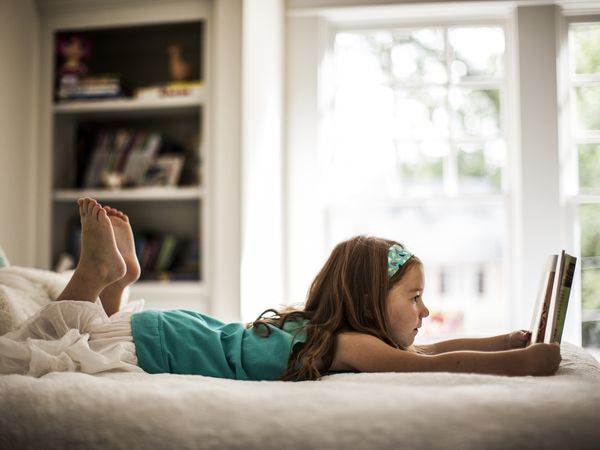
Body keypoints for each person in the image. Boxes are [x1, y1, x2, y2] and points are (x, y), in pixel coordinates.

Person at [3, 198, 561, 380]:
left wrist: (508, 339)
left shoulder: (335, 334)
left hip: (176, 332)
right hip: (163, 344)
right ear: (369, 301)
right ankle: (93, 275)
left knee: (77, 337)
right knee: (31, 353)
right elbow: (433, 367)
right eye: (413, 298)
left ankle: (116, 281)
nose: (426, 310)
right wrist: (522, 363)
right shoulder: (350, 344)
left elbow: (430, 350)